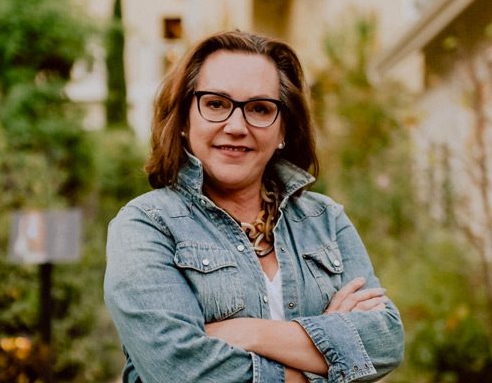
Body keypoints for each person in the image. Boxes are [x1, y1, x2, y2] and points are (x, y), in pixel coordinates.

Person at [104, 30, 404, 383]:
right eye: (215, 104)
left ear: (283, 130)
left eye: (260, 109)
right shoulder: (147, 225)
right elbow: (180, 369)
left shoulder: (325, 220)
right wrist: (327, 360)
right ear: (185, 119)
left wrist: (247, 332)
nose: (236, 126)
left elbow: (385, 342)